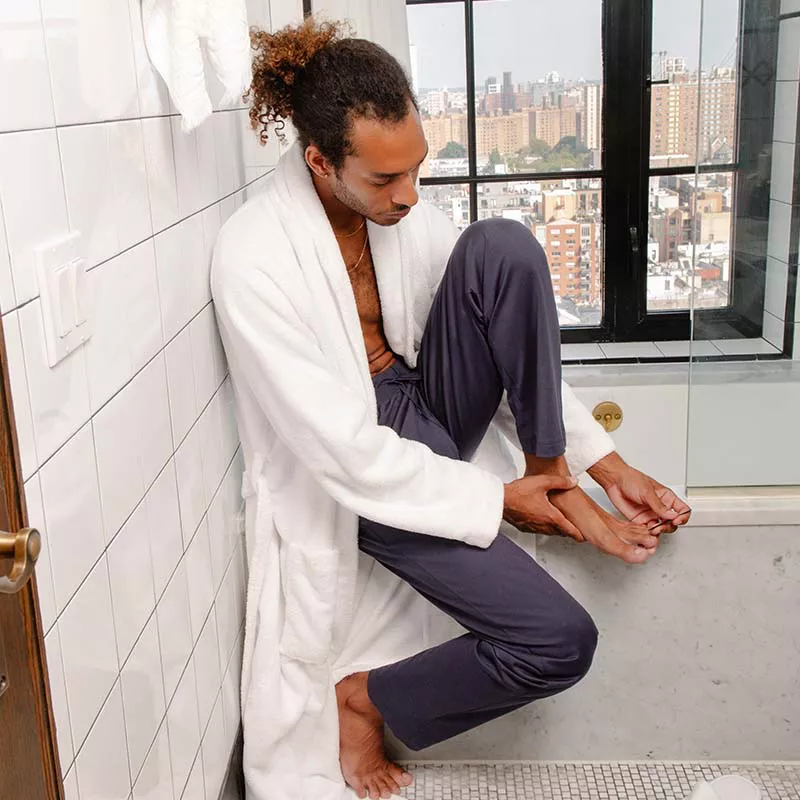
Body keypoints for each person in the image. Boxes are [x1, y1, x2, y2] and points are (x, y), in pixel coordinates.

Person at [211, 19, 692, 800]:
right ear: (320, 160)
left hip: (424, 396)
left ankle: (555, 471)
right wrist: (493, 499)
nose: (409, 196)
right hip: (365, 455)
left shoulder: (402, 215)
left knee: (503, 246)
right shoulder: (253, 257)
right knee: (558, 642)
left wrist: (606, 462)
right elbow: (339, 451)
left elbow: (502, 328)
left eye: (416, 169)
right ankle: (363, 700)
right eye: (384, 180)